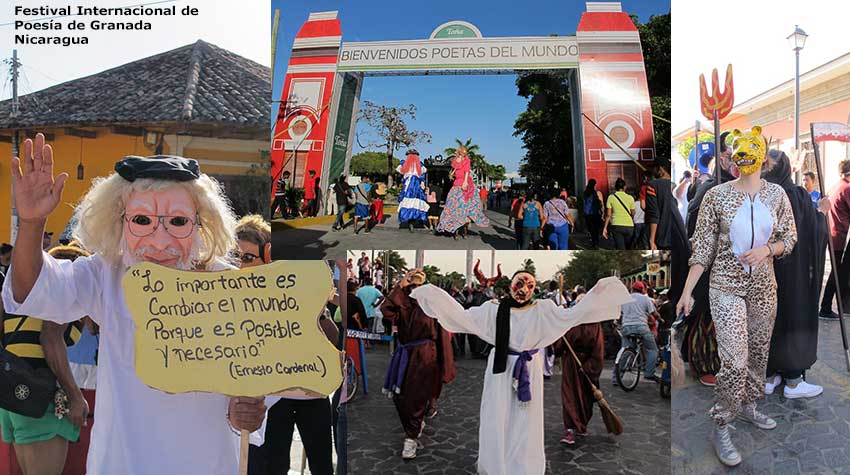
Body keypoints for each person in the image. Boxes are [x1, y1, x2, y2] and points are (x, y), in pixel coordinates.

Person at [2, 134, 268, 474]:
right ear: (120, 222)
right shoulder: (106, 276)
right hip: (122, 463)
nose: (160, 240)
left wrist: (245, 411)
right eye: (142, 221)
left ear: (200, 222)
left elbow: (259, 377)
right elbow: (33, 291)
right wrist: (32, 223)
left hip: (207, 463)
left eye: (177, 222)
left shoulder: (232, 289)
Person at [407, 270, 631, 475]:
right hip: (501, 369)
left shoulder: (543, 309)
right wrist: (431, 292)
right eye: (519, 283)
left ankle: (524, 464)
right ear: (510, 285)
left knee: (526, 418)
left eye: (530, 285)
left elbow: (573, 315)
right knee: (498, 413)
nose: (524, 289)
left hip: (529, 368)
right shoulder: (493, 309)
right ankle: (497, 463)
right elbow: (462, 316)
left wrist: (598, 293)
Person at [677, 126, 797, 467]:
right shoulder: (716, 196)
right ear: (731, 159)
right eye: (735, 153)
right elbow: (702, 249)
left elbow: (790, 237)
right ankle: (722, 424)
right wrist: (687, 292)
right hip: (725, 287)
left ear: (762, 157)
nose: (740, 159)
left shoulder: (776, 195)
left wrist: (767, 250)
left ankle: (748, 405)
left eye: (748, 153)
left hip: (763, 287)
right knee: (735, 360)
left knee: (758, 354)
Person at [0, 245, 88, 475]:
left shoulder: (22, 291)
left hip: (14, 397)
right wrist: (75, 396)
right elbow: (50, 339)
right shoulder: (64, 289)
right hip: (40, 399)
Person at [763, 150, 828, 399]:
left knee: (769, 320)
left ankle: (769, 376)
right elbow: (813, 232)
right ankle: (792, 380)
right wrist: (821, 212)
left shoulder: (760, 194)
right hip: (794, 273)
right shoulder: (796, 195)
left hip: (765, 271)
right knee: (793, 318)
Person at [380, 270, 456, 460]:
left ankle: (410, 438)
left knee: (416, 396)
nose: (415, 288)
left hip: (425, 357)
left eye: (418, 285)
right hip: (404, 355)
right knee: (399, 398)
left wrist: (444, 364)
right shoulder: (403, 305)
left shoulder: (433, 308)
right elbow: (386, 310)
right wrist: (400, 285)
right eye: (412, 285)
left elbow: (442, 338)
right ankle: (415, 425)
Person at [552, 318, 604, 446]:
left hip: (587, 365)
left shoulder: (594, 324)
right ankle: (570, 428)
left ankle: (581, 424)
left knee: (586, 396)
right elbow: (560, 345)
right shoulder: (571, 322)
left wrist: (590, 366)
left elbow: (598, 348)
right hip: (571, 363)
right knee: (570, 394)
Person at [820, 160, 850, 320]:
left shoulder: (836, 186)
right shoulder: (847, 188)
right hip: (839, 235)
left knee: (836, 271)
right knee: (836, 273)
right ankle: (825, 307)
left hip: (831, 234)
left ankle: (826, 306)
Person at [436, 148, 490, 239]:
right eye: (459, 153)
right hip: (456, 185)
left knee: (466, 206)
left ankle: (464, 228)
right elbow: (454, 169)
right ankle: (451, 227)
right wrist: (452, 174)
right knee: (451, 205)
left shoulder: (466, 161)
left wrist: (465, 182)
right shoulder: (455, 161)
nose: (461, 155)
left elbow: (466, 172)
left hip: (464, 186)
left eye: (462, 154)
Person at [619, 281, 660, 382]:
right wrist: (660, 318)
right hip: (641, 327)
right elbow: (654, 313)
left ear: (632, 289)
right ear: (642, 290)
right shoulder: (645, 299)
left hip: (626, 327)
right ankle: (649, 373)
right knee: (652, 349)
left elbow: (620, 314)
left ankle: (619, 373)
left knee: (625, 350)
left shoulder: (624, 299)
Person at [396, 150, 429, 232]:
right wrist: (422, 184)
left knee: (408, 202)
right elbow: (422, 176)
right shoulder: (419, 165)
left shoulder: (405, 164)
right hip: (416, 186)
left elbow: (400, 173)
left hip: (409, 186)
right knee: (417, 203)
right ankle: (416, 220)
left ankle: (410, 221)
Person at [646, 165, 678, 251]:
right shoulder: (674, 185)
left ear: (660, 169)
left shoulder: (653, 185)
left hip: (662, 236)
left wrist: (651, 239)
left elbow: (654, 214)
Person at [602, 178, 635, 249]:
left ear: (615, 187)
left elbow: (608, 215)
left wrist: (605, 228)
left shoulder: (611, 197)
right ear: (625, 187)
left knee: (620, 248)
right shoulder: (630, 198)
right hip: (629, 226)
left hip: (616, 225)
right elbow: (633, 213)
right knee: (628, 248)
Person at [583, 180, 604, 248]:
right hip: (596, 213)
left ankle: (593, 242)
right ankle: (596, 242)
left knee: (591, 229)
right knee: (596, 229)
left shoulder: (585, 193)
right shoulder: (598, 193)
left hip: (587, 214)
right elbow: (602, 204)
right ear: (595, 185)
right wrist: (603, 213)